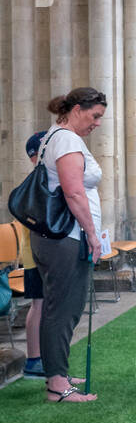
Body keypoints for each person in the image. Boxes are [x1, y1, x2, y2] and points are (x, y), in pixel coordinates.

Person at [29, 87, 107, 405]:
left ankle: (58, 373)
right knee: (61, 309)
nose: (97, 123)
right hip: (65, 237)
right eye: (95, 116)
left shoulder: (56, 137)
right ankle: (57, 386)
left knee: (66, 307)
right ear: (77, 109)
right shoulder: (66, 140)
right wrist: (91, 233)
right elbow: (74, 193)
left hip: (60, 237)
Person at [19, 132, 47, 380]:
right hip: (34, 254)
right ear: (35, 157)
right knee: (38, 304)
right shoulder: (34, 182)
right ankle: (33, 359)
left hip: (40, 253)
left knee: (45, 304)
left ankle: (44, 357)